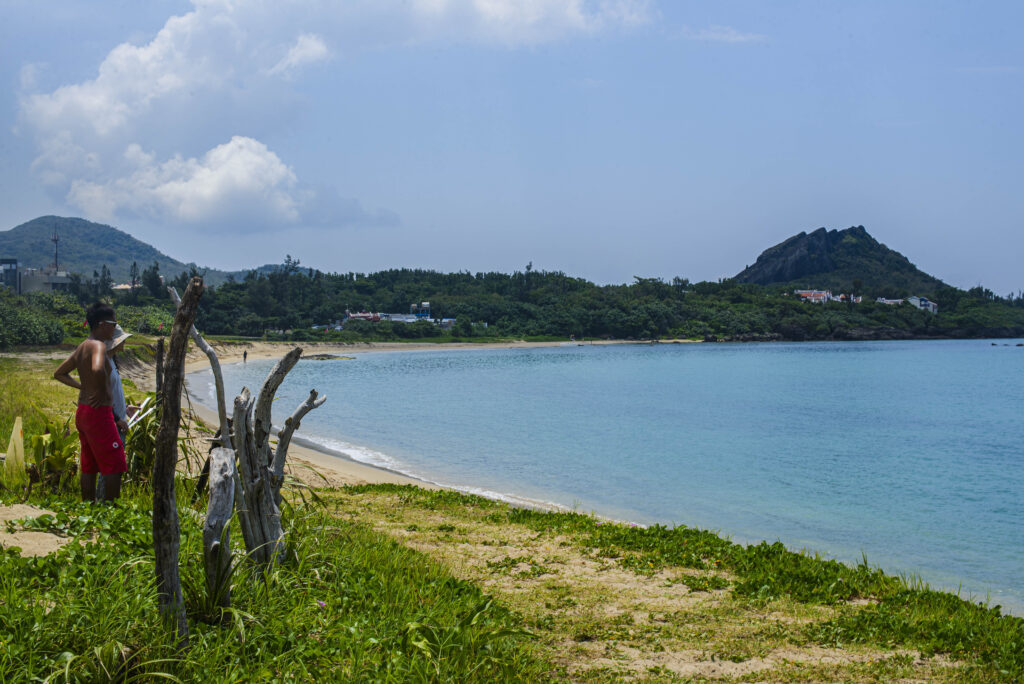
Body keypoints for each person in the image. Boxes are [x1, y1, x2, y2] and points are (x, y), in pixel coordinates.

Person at [53, 302, 127, 502]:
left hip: (84, 411)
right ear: (102, 324)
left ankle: (88, 507)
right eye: (113, 323)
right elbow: (97, 368)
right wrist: (101, 390)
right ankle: (112, 511)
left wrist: (83, 387)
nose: (115, 327)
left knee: (90, 464)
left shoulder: (83, 346)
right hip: (98, 413)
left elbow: (59, 373)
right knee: (115, 462)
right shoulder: (98, 345)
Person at [106, 324, 137, 443]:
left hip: (118, 422)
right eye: (122, 340)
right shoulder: (104, 363)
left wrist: (125, 408)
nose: (125, 342)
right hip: (113, 424)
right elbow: (102, 396)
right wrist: (117, 418)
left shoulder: (112, 360)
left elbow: (112, 392)